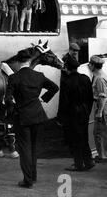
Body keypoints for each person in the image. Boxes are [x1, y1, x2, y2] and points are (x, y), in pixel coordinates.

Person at [5, 49, 59, 188]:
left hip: (22, 117)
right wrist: (42, 99)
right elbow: (54, 88)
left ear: (17, 62)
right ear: (30, 61)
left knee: (24, 149)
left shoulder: (14, 78)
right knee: (34, 148)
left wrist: (11, 112)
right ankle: (33, 177)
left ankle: (28, 180)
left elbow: (8, 99)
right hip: (38, 115)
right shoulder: (39, 76)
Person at [60, 57, 95, 171]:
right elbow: (90, 98)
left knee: (74, 138)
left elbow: (64, 102)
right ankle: (88, 160)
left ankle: (78, 163)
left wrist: (61, 117)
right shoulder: (85, 78)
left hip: (72, 113)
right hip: (84, 111)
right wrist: (87, 111)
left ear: (67, 68)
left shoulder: (66, 82)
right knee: (84, 136)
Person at [89, 55, 107, 163]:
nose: (89, 66)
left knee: (99, 133)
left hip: (103, 109)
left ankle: (102, 156)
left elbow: (103, 96)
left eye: (90, 64)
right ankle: (102, 154)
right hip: (103, 108)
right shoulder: (99, 75)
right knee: (101, 132)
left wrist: (99, 112)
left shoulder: (99, 78)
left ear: (93, 66)